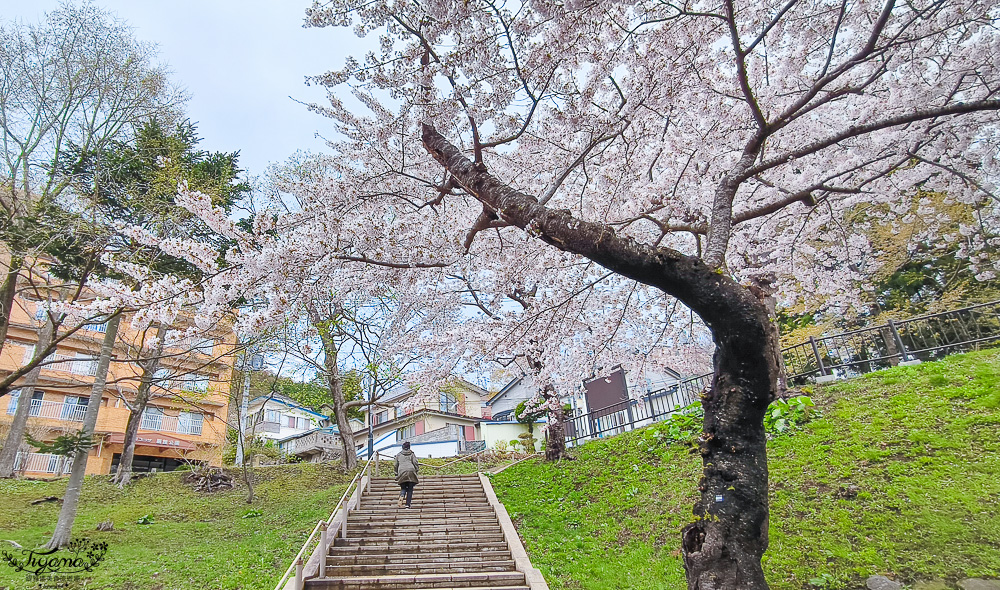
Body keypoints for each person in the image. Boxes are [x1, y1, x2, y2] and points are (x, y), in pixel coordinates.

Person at [394, 441, 419, 508]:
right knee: (410, 489)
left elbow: (395, 465)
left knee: (403, 487)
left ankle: (401, 497)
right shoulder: (412, 454)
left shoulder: (399, 455)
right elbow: (415, 462)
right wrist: (416, 470)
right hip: (411, 471)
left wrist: (396, 473)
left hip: (402, 471)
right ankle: (408, 504)